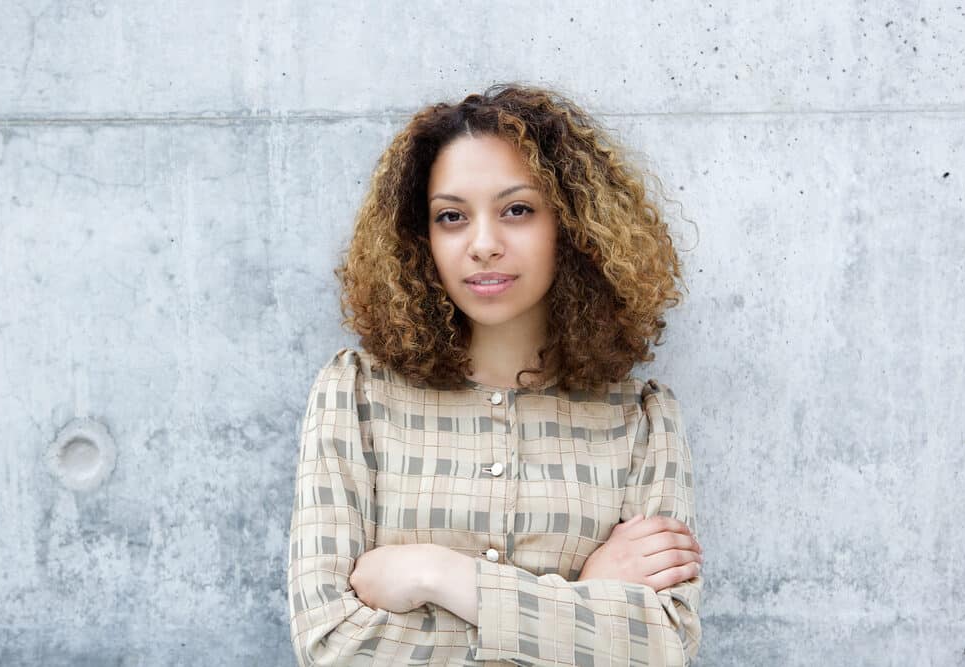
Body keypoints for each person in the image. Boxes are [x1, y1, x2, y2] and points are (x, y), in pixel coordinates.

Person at [287, 82, 704, 666]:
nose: (483, 244)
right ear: (420, 236)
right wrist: (588, 599)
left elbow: (660, 648)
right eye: (452, 217)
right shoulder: (355, 394)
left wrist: (438, 574)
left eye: (517, 210)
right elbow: (332, 644)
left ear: (572, 225)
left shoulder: (642, 420)